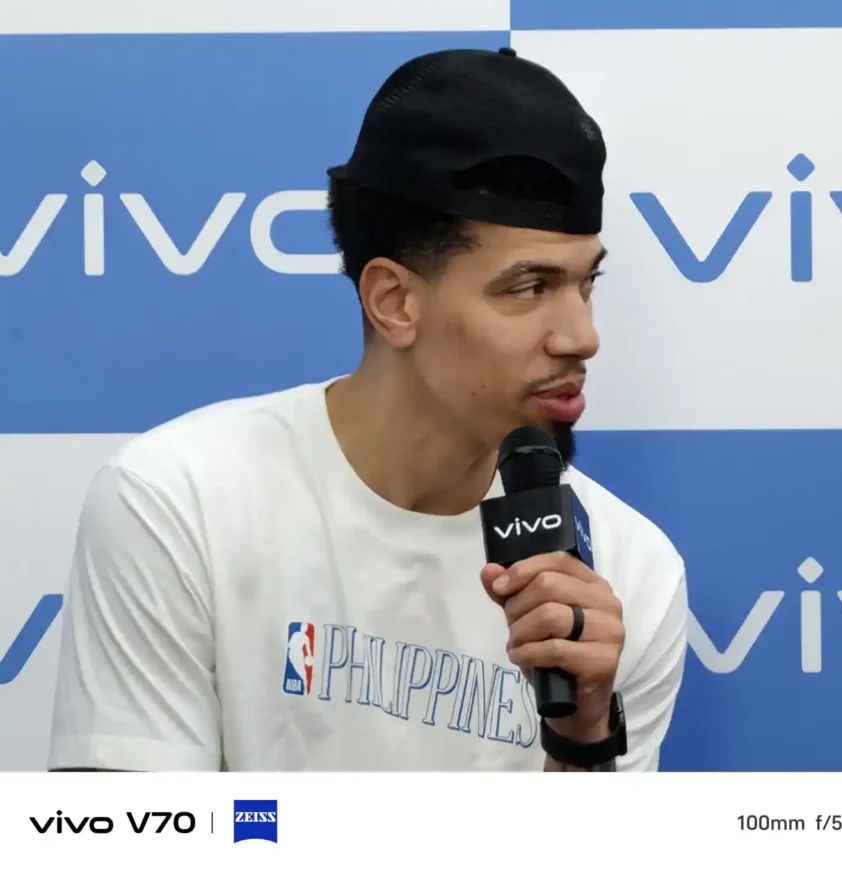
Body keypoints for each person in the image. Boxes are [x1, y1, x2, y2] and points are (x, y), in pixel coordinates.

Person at [47, 46, 689, 772]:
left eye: (585, 284)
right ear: (394, 302)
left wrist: (583, 738)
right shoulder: (180, 502)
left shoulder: (630, 570)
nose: (582, 336)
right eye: (529, 287)